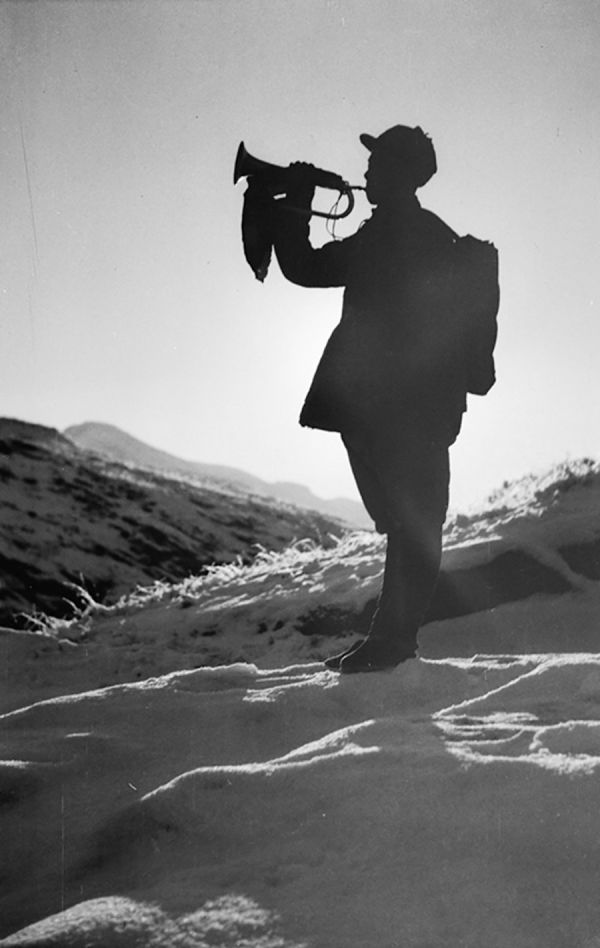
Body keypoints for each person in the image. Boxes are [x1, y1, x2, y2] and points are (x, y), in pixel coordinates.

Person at [271, 125, 472, 673]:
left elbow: (307, 268)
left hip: (392, 404)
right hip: (407, 405)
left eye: (377, 162)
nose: (366, 172)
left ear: (402, 173)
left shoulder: (393, 233)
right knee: (413, 522)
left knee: (412, 523)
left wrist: (296, 203)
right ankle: (391, 641)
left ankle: (391, 643)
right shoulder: (418, 231)